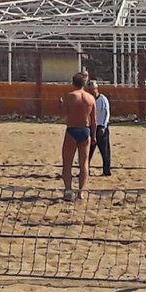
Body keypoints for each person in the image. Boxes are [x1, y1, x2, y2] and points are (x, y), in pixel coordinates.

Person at [60, 72, 96, 201]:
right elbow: (94, 120)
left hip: (72, 129)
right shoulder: (90, 98)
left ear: (73, 82)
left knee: (67, 163)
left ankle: (68, 191)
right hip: (85, 130)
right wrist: (94, 135)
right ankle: (81, 192)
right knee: (84, 163)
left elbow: (63, 114)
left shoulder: (69, 96)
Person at [87, 80, 112, 177]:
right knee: (88, 150)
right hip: (91, 127)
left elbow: (106, 113)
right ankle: (86, 169)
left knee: (104, 150)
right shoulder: (88, 99)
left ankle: (106, 170)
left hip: (101, 127)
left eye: (92, 88)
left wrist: (104, 126)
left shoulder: (102, 99)